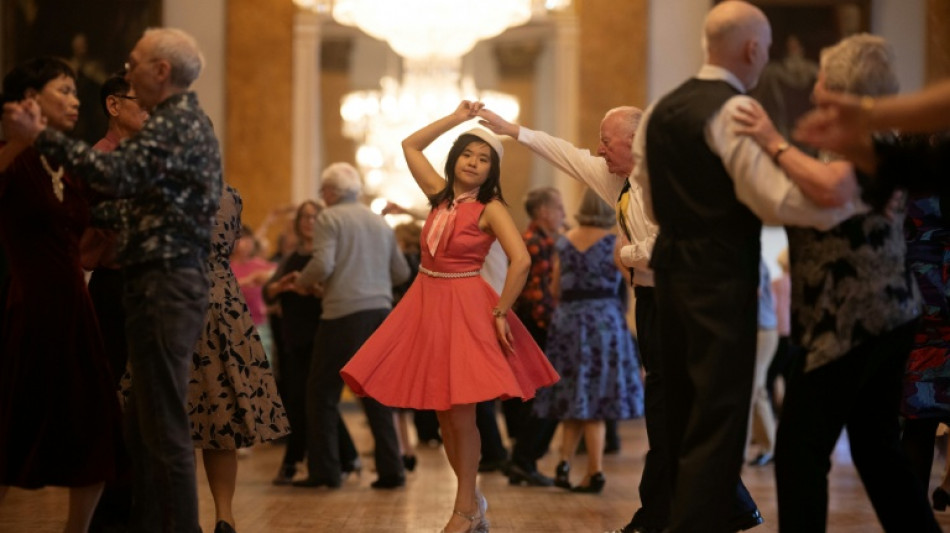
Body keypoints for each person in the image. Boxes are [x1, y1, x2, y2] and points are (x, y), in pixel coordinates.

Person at [630, 2, 862, 531]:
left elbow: (645, 187)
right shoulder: (734, 111)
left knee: (683, 417)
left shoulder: (663, 106)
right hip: (719, 275)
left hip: (668, 274)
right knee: (718, 420)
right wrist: (843, 203)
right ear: (753, 48)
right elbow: (774, 201)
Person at [476, 104, 761, 533]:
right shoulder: (619, 179)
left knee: (668, 411)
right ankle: (730, 506)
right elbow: (566, 155)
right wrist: (513, 130)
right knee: (673, 412)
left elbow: (669, 248)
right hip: (652, 303)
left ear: (635, 140)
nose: (599, 149)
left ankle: (659, 516)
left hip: (684, 307)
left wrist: (626, 253)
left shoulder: (670, 180)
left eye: (607, 141)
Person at [3, 28, 222, 533]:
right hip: (150, 287)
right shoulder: (174, 123)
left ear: (160, 72)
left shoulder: (174, 123)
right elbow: (133, 205)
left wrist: (41, 137)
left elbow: (117, 177)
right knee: (145, 428)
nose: (125, 73)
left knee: (162, 429)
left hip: (165, 287)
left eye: (134, 63)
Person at [733, 33, 941, 532]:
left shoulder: (871, 140)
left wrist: (770, 139)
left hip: (850, 320)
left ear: (839, 86)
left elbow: (833, 189)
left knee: (801, 451)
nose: (815, 85)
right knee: (878, 451)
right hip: (881, 314)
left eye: (823, 77)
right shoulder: (870, 137)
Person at [340, 101, 559, 533]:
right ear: (456, 158)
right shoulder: (439, 196)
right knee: (442, 416)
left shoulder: (490, 208)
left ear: (492, 170)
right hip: (426, 302)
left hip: (464, 306)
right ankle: (473, 501)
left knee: (461, 415)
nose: (474, 163)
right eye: (468, 154)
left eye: (484, 159)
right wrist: (457, 119)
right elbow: (410, 144)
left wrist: (500, 311)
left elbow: (521, 261)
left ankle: (464, 508)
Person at [0, 56, 124, 533]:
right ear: (31, 100)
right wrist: (18, 140)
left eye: (75, 92)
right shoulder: (14, 156)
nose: (76, 100)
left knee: (95, 428)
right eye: (65, 90)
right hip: (31, 308)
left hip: (77, 309)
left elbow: (107, 206)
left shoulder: (68, 159)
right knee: (13, 427)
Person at [292, 162, 409, 490]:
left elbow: (324, 263)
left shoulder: (329, 217)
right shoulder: (379, 222)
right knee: (374, 392)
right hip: (380, 314)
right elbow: (400, 273)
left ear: (330, 192)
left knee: (320, 393)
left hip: (343, 315)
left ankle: (326, 471)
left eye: (322, 192)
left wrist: (303, 282)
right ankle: (392, 470)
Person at [533, 188, 644, 494]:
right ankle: (594, 471)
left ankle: (565, 462)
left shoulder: (563, 242)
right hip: (603, 323)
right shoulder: (613, 243)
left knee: (573, 394)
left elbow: (555, 288)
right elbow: (633, 280)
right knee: (594, 399)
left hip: (568, 321)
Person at [83, 71, 147, 533]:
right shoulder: (97, 161)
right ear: (113, 105)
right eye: (139, 102)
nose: (148, 110)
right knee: (111, 398)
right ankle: (112, 507)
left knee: (152, 400)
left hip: (154, 290)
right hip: (114, 288)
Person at [264, 200, 361, 486]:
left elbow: (339, 294)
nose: (308, 221)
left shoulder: (328, 255)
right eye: (304, 217)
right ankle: (347, 456)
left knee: (311, 401)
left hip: (321, 336)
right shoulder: (291, 256)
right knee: (304, 401)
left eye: (314, 216)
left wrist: (315, 290)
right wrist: (281, 287)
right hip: (292, 338)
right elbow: (268, 294)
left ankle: (293, 463)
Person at [504, 186, 564, 487]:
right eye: (559, 208)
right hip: (537, 326)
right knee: (545, 395)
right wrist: (554, 326)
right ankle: (524, 460)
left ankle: (523, 459)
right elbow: (537, 294)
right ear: (543, 212)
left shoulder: (541, 240)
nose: (564, 215)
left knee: (539, 396)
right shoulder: (535, 242)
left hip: (532, 324)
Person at [747, 259, 778, 467]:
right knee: (755, 389)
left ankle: (770, 447)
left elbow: (752, 292)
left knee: (755, 388)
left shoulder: (753, 260)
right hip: (759, 329)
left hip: (763, 330)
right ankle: (766, 444)